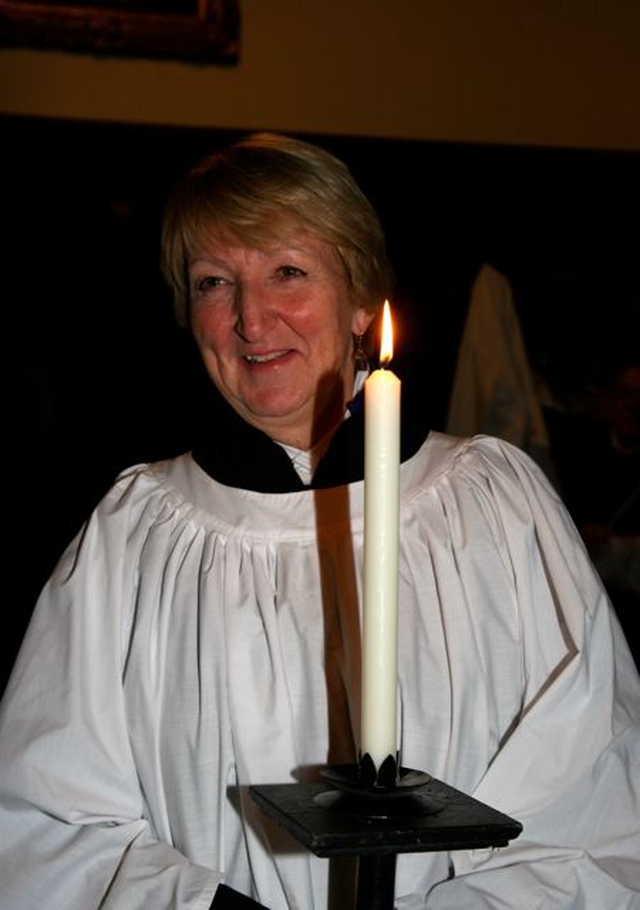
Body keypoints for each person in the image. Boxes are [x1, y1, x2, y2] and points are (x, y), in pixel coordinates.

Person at [0, 132, 639, 910]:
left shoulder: (495, 505)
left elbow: (598, 794)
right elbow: (49, 821)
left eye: (288, 273)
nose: (250, 320)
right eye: (213, 282)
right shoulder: (133, 536)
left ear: (363, 301)